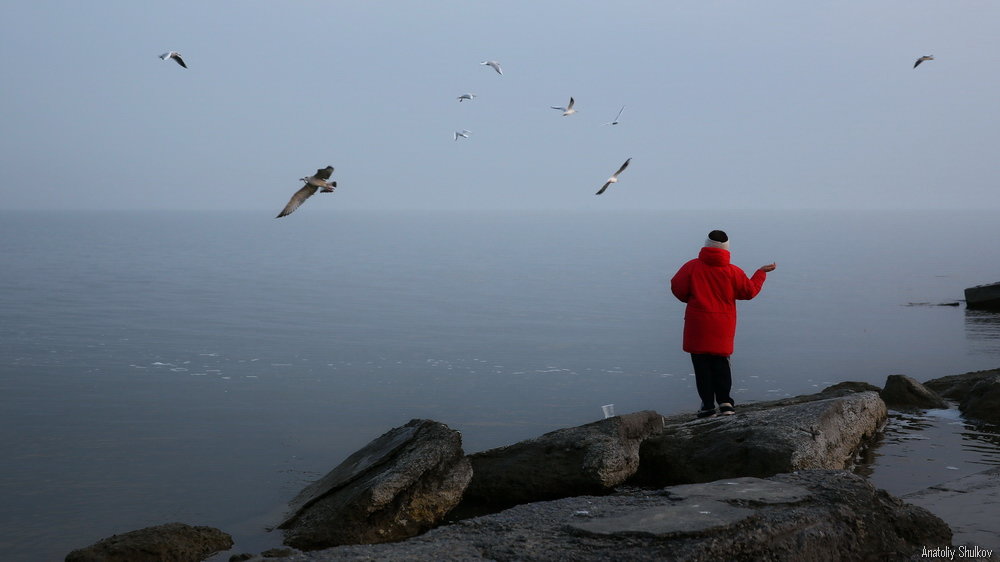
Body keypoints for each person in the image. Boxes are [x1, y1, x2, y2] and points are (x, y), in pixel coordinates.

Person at [670, 230, 776, 418]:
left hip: (698, 323)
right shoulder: (733, 271)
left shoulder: (692, 267)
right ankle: (726, 403)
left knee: (702, 366)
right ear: (726, 248)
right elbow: (749, 292)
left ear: (706, 245)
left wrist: (693, 299)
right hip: (723, 324)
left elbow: (677, 288)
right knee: (721, 363)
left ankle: (708, 406)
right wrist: (760, 273)